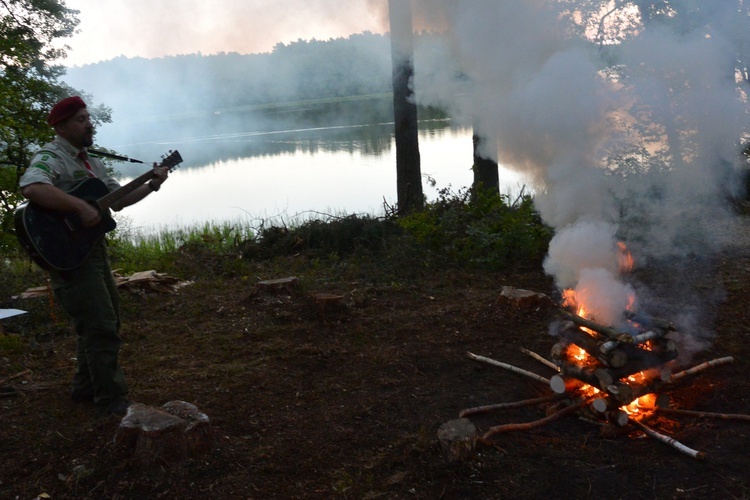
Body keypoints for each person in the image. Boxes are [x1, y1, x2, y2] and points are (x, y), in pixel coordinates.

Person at [18, 96, 170, 416]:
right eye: (81, 119)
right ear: (60, 127)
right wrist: (77, 206)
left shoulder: (91, 162)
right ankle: (110, 399)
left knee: (106, 317)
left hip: (90, 248)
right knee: (100, 323)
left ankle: (85, 386)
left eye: (89, 118)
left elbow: (120, 200)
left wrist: (153, 184)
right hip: (65, 251)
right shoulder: (52, 156)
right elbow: (32, 187)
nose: (90, 124)